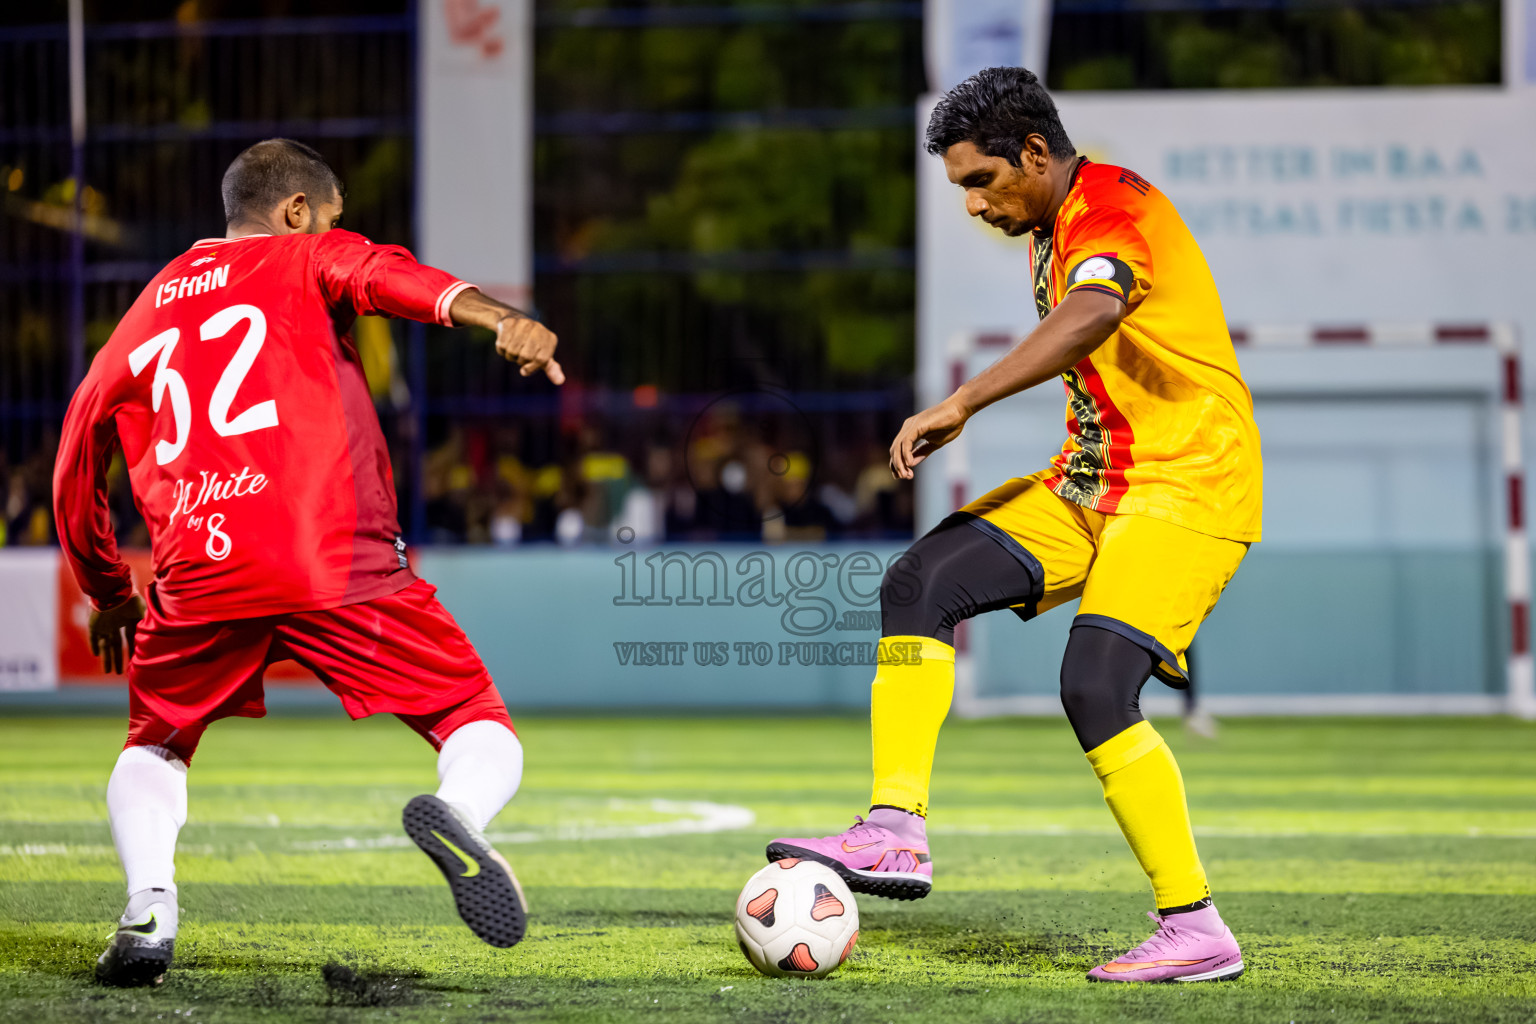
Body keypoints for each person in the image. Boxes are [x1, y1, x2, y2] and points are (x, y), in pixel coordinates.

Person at [766, 68, 1261, 984]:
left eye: (981, 181)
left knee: (1096, 685)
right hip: (1094, 484)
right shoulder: (1051, 224)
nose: (972, 203)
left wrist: (963, 400)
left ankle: (1194, 925)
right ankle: (894, 828)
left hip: (1191, 485)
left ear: (1035, 152)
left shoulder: (1110, 212)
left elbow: (1094, 311)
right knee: (921, 582)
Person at [52, 139, 563, 988]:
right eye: (330, 215)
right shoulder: (306, 257)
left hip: (197, 567)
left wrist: (109, 591)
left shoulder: (146, 309)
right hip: (330, 554)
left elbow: (77, 449)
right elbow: (389, 275)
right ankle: (459, 813)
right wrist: (496, 316)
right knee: (472, 717)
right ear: (296, 211)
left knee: (155, 744)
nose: (334, 228)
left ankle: (148, 911)